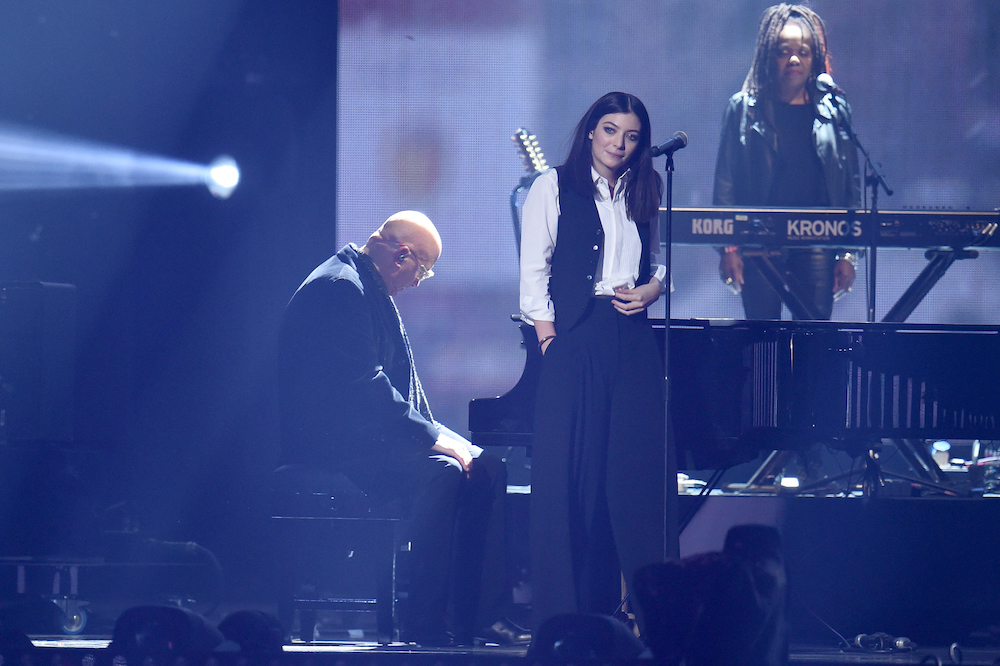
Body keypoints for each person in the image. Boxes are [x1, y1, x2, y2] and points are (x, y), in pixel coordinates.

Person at [276, 211, 528, 647]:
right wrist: (433, 439)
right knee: (444, 472)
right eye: (423, 271)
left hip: (368, 436)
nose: (417, 283)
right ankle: (425, 622)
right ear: (402, 256)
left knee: (488, 466)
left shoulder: (365, 285)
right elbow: (363, 387)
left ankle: (479, 616)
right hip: (335, 448)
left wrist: (439, 437)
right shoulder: (339, 288)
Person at [520, 92, 667, 632]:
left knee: (638, 477)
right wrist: (548, 339)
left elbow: (659, 259)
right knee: (569, 480)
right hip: (574, 338)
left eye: (631, 136)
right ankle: (563, 619)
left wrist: (653, 288)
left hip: (633, 337)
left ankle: (648, 613)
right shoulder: (552, 186)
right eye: (610, 130)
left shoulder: (645, 188)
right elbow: (534, 268)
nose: (618, 144)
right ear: (590, 131)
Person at [714, 3, 861, 320]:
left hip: (818, 240)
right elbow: (725, 183)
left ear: (815, 57)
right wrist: (728, 248)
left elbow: (851, 187)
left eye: (804, 52)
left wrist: (849, 253)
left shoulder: (835, 110)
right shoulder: (742, 109)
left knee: (813, 336)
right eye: (784, 51)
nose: (795, 59)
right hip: (759, 241)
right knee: (762, 337)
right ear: (769, 55)